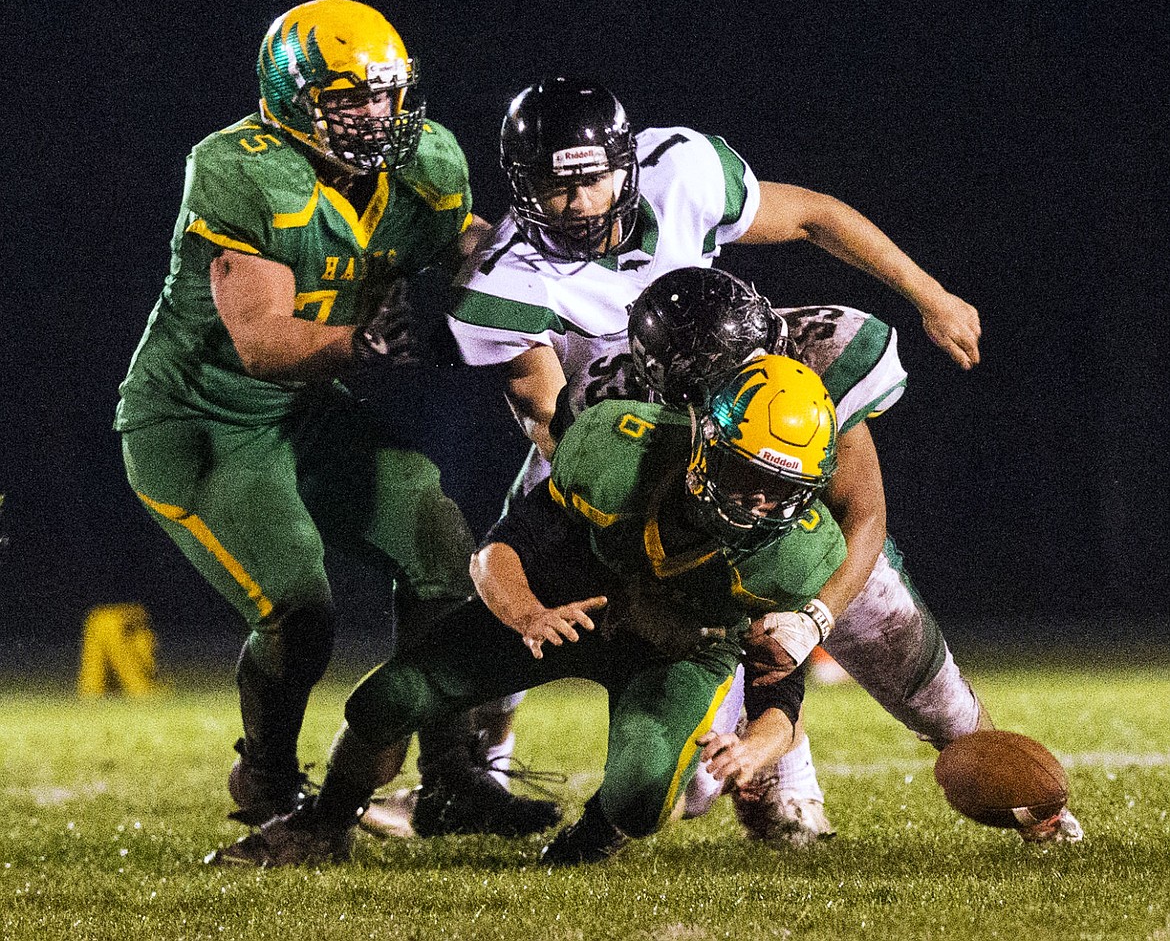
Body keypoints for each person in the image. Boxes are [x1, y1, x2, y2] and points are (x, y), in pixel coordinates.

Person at [438, 75, 981, 842]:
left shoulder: (684, 172)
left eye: (595, 177)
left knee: (866, 597)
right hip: (608, 449)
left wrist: (929, 294)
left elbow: (814, 217)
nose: (584, 203)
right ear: (522, 187)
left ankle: (963, 758)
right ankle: (471, 783)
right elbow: (562, 434)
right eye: (558, 189)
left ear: (628, 163)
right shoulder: (505, 281)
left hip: (741, 428)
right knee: (514, 605)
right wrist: (641, 538)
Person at [114, 0, 559, 839]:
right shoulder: (243, 170)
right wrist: (362, 341)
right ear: (290, 98)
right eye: (348, 98)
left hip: (309, 413)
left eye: (384, 96)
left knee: (439, 545)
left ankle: (454, 777)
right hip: (201, 424)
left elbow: (457, 235)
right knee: (300, 612)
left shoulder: (425, 162)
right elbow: (259, 340)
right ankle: (271, 781)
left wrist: (534, 268)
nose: (373, 116)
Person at [205, 355, 847, 867]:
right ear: (709, 442)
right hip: (561, 607)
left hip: (673, 654)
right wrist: (525, 614)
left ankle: (592, 840)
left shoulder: (798, 553)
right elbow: (501, 548)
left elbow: (779, 682)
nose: (761, 502)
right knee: (383, 702)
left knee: (643, 799)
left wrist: (757, 748)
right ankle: (323, 825)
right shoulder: (624, 449)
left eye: (784, 489)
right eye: (746, 473)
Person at [625, 265, 1083, 845]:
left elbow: (863, 513)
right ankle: (778, 777)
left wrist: (814, 618)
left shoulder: (817, 357)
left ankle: (1032, 810)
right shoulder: (621, 403)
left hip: (816, 542)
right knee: (688, 787)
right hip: (696, 561)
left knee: (941, 704)